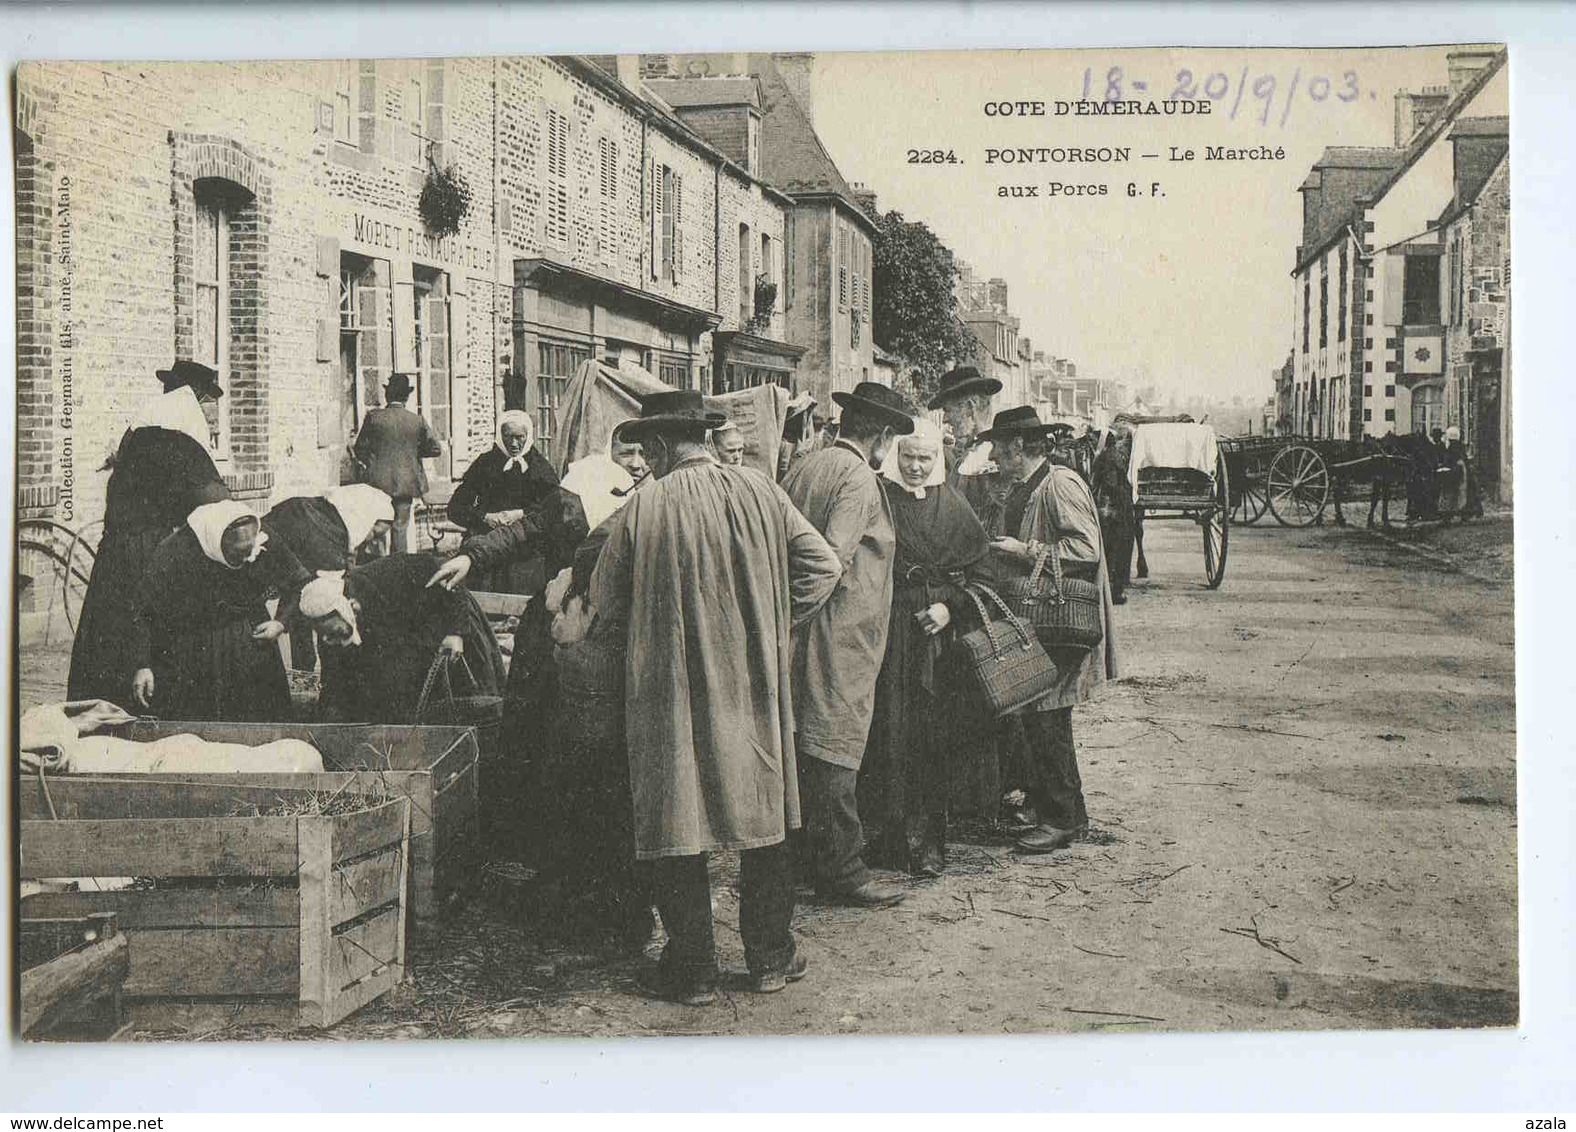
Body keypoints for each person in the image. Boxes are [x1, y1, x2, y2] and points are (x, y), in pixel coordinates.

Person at [586, 389, 842, 1004]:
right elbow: (825, 567)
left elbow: (605, 603)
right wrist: (776, 621)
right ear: (706, 437)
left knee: (679, 814)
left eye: (647, 447)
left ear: (660, 446)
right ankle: (771, 958)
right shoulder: (764, 492)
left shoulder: (643, 507)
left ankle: (693, 969)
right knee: (765, 808)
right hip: (753, 680)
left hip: (670, 683)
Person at [781, 381, 915, 909]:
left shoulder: (807, 465)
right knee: (835, 738)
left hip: (809, 630)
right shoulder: (858, 476)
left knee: (804, 737)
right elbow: (831, 561)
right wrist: (797, 613)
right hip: (838, 631)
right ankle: (842, 869)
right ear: (881, 435)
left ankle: (800, 859)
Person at [982, 408, 1120, 853]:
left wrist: (1025, 551)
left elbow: (1086, 548)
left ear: (1019, 448)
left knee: (1049, 710)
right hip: (1042, 616)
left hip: (1062, 620)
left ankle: (1063, 818)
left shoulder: (1059, 484)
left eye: (999, 449)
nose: (995, 457)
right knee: (1040, 709)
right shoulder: (1031, 485)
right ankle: (1056, 810)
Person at [865, 421, 990, 877]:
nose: (916, 467)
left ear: (938, 459)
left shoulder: (952, 505)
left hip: (935, 637)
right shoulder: (877, 498)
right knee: (885, 731)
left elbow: (982, 573)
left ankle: (931, 841)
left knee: (931, 733)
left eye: (925, 458)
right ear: (894, 454)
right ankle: (889, 838)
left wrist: (949, 608)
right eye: (908, 457)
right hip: (886, 625)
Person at [68, 360, 231, 708]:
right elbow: (214, 501)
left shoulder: (137, 435)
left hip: (115, 555)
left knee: (111, 639)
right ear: (195, 398)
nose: (210, 413)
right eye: (208, 403)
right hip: (153, 553)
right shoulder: (180, 442)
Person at [128, 500, 292, 723]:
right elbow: (143, 608)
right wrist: (142, 664)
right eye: (239, 553)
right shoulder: (176, 550)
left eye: (249, 551)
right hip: (195, 644)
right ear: (217, 543)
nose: (247, 559)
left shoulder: (258, 536)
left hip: (251, 639)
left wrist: (280, 623)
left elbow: (298, 582)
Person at [300, 554, 504, 725]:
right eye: (325, 636)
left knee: (471, 705)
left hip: (450, 625)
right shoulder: (329, 632)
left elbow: (450, 575)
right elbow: (333, 684)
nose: (331, 641)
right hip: (413, 644)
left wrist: (455, 632)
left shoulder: (390, 572)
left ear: (349, 607)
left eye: (337, 633)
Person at [261, 484, 394, 674]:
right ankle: (306, 673)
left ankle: (304, 671)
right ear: (362, 517)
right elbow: (306, 589)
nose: (372, 541)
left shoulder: (323, 512)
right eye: (375, 533)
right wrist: (282, 621)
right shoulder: (328, 538)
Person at [446, 411, 565, 594]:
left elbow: (553, 510)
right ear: (500, 436)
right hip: (485, 545)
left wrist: (522, 514)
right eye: (508, 437)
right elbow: (456, 507)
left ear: (528, 436)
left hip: (526, 549)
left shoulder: (540, 467)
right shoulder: (485, 464)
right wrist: (485, 517)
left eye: (520, 437)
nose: (514, 443)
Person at [352, 373, 443, 553]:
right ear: (406, 397)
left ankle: (374, 567)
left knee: (376, 525)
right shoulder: (416, 420)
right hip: (406, 483)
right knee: (400, 528)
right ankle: (396, 569)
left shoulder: (374, 417)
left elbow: (359, 449)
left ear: (387, 395)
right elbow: (435, 449)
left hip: (377, 483)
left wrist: (373, 461)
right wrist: (413, 453)